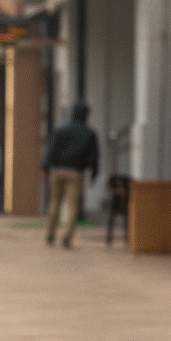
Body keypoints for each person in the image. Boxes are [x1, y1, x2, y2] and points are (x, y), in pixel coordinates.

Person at [42, 100, 99, 248]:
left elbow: (50, 150)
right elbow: (93, 156)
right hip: (76, 173)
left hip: (57, 171)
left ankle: (50, 234)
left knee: (55, 202)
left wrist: (45, 168)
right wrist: (94, 173)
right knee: (72, 206)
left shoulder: (60, 130)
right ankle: (66, 237)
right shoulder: (89, 133)